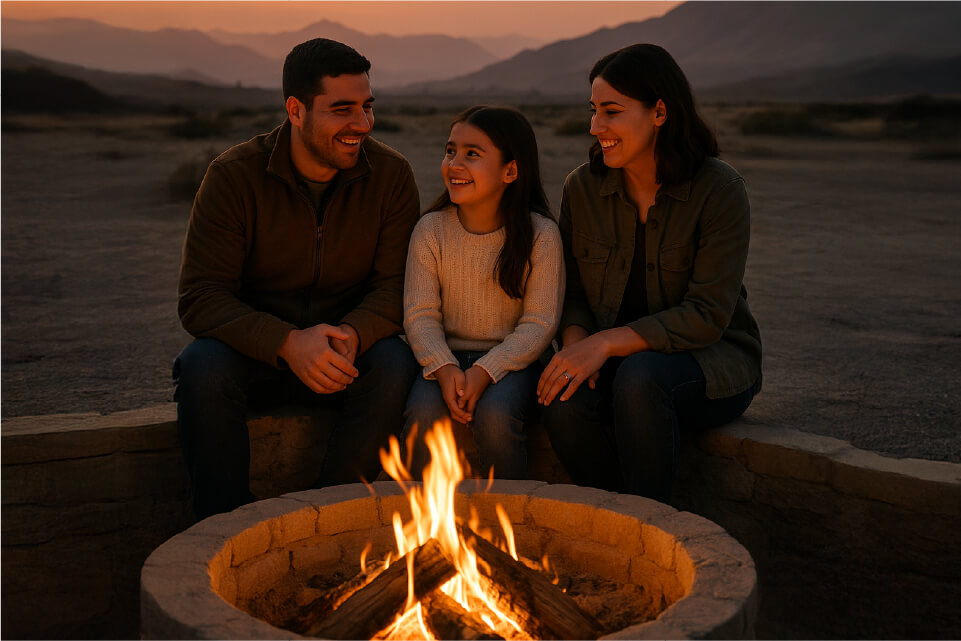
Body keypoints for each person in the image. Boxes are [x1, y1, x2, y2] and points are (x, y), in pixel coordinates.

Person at [174, 38, 420, 520]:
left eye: (367, 108)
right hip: (259, 357)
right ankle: (221, 527)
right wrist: (286, 342)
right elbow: (201, 297)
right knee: (202, 365)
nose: (361, 125)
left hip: (345, 356)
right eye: (342, 109)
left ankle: (335, 515)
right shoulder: (234, 177)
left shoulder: (391, 175)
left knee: (394, 360)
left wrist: (353, 333)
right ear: (296, 110)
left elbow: (397, 286)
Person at [537, 44, 762, 503]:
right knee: (561, 398)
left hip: (710, 363)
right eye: (594, 111)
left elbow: (706, 315)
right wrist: (578, 347)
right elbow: (571, 291)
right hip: (616, 363)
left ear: (660, 111)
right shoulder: (582, 187)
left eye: (612, 112)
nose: (597, 127)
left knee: (641, 379)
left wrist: (604, 343)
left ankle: (651, 523)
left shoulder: (719, 190)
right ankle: (618, 517)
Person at [402, 106, 564, 480]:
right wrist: (443, 368)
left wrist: (486, 370)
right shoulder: (431, 230)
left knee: (495, 418)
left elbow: (540, 324)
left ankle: (509, 516)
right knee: (423, 416)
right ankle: (418, 520)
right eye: (450, 151)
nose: (455, 163)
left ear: (511, 170)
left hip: (514, 361)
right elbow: (419, 314)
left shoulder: (540, 235)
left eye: (472, 154)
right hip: (444, 357)